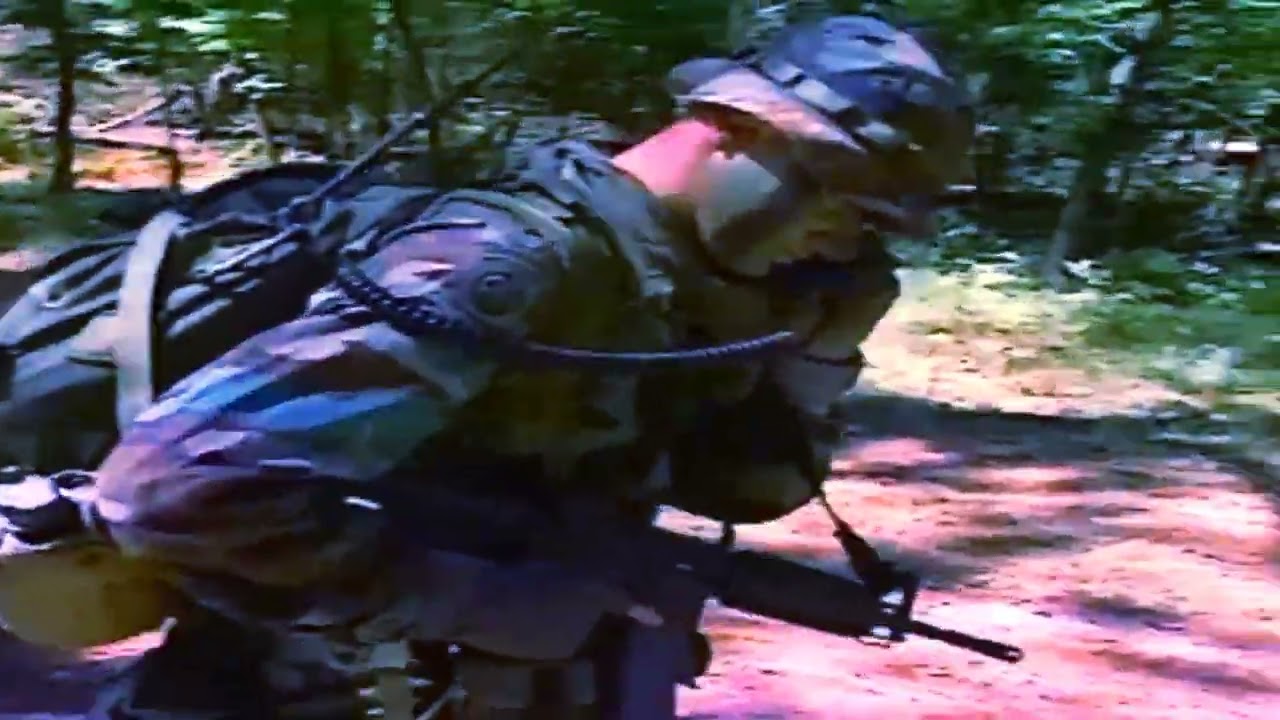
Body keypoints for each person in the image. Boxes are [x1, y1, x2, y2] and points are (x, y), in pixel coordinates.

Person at [85, 14, 974, 720]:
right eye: (839, 200)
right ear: (731, 127)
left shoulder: (675, 288)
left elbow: (742, 491)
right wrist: (477, 600)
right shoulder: (503, 265)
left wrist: (819, 358)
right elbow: (172, 489)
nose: (844, 243)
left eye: (873, 227)